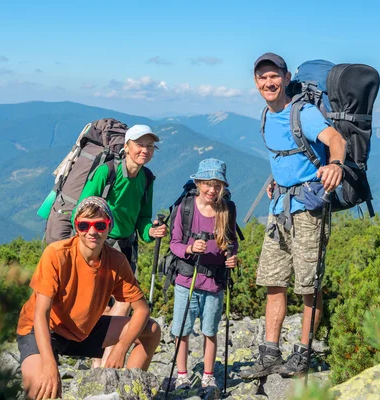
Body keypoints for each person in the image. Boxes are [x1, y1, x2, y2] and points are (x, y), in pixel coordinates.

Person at [240, 53, 346, 380]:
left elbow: (336, 140)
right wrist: (276, 179)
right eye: (263, 78)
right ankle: (270, 353)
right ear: (256, 83)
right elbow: (285, 155)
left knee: (307, 286)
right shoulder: (266, 115)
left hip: (308, 210)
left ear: (286, 79)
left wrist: (336, 165)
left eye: (275, 77)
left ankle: (302, 354)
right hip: (278, 211)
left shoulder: (304, 113)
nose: (269, 83)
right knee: (274, 282)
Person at [16, 196, 161, 400]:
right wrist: (50, 366)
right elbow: (41, 313)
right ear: (76, 227)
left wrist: (120, 348)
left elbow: (142, 310)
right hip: (43, 328)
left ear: (109, 227)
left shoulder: (116, 261)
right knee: (43, 389)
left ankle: (128, 391)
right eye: (84, 225)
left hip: (84, 329)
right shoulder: (57, 255)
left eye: (100, 225)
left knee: (151, 331)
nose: (92, 231)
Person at [74, 124, 167, 366]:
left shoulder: (146, 179)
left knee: (116, 303)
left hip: (126, 246)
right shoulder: (107, 172)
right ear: (126, 147)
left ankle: (101, 360)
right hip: (101, 245)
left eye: (149, 146)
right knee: (117, 303)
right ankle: (106, 360)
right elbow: (81, 209)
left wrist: (150, 231)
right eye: (139, 145)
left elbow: (142, 218)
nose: (144, 150)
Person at [169, 159, 238, 390]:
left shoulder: (227, 210)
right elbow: (175, 244)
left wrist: (231, 256)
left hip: (214, 283)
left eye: (217, 185)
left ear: (223, 187)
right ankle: (182, 374)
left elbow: (231, 242)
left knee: (210, 330)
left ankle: (208, 375)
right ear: (198, 183)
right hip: (186, 280)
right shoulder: (185, 208)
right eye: (207, 184)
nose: (212, 190)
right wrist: (189, 249)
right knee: (182, 331)